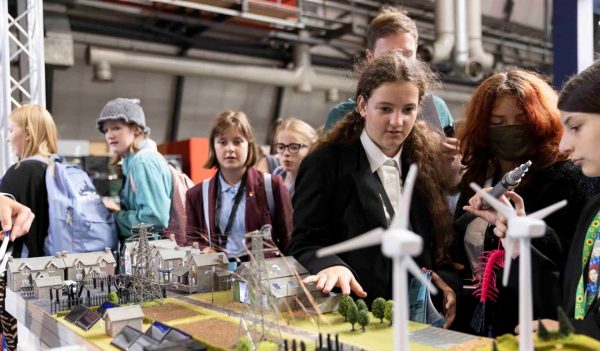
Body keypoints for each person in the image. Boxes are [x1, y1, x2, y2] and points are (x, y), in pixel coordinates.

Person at [287, 53, 459, 328]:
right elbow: (305, 242)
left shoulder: (425, 163)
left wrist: (447, 284)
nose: (397, 121)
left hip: (420, 321)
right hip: (357, 319)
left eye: (408, 110)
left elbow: (440, 248)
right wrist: (332, 265)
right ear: (363, 105)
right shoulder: (326, 164)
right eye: (385, 109)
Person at [457, 70, 587, 337]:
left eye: (521, 120)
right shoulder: (476, 175)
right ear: (484, 126)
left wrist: (525, 230)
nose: (511, 129)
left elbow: (568, 260)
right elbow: (459, 246)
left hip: (533, 324)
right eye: (498, 121)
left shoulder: (564, 178)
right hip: (474, 322)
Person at [487, 61, 600, 339]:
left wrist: (574, 331)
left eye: (575, 127)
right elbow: (569, 301)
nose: (564, 146)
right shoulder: (594, 213)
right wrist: (518, 248)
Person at [325, 7, 454, 136]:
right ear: (370, 57)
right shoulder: (341, 115)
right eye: (389, 54)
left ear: (416, 52)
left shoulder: (436, 109)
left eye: (407, 54)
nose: (400, 61)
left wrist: (448, 155)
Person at [185, 111, 292, 260]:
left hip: (262, 274)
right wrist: (204, 250)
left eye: (237, 141)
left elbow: (289, 239)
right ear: (213, 147)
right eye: (222, 142)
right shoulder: (197, 194)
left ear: (249, 145)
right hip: (218, 273)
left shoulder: (271, 186)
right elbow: (191, 240)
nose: (230, 148)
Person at [0, 103, 59, 350]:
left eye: (11, 130)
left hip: (19, 275)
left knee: (17, 342)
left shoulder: (19, 171)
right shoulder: (58, 170)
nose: (8, 137)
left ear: (28, 133)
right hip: (55, 270)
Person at [96, 98, 173, 240]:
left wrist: (115, 217)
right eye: (106, 130)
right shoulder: (131, 162)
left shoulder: (142, 162)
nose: (109, 135)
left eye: (116, 128)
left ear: (136, 130)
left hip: (151, 255)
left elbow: (154, 219)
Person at [272, 118, 318, 195]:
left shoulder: (315, 181)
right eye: (281, 147)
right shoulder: (278, 174)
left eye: (294, 147)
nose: (286, 153)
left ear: (312, 148)